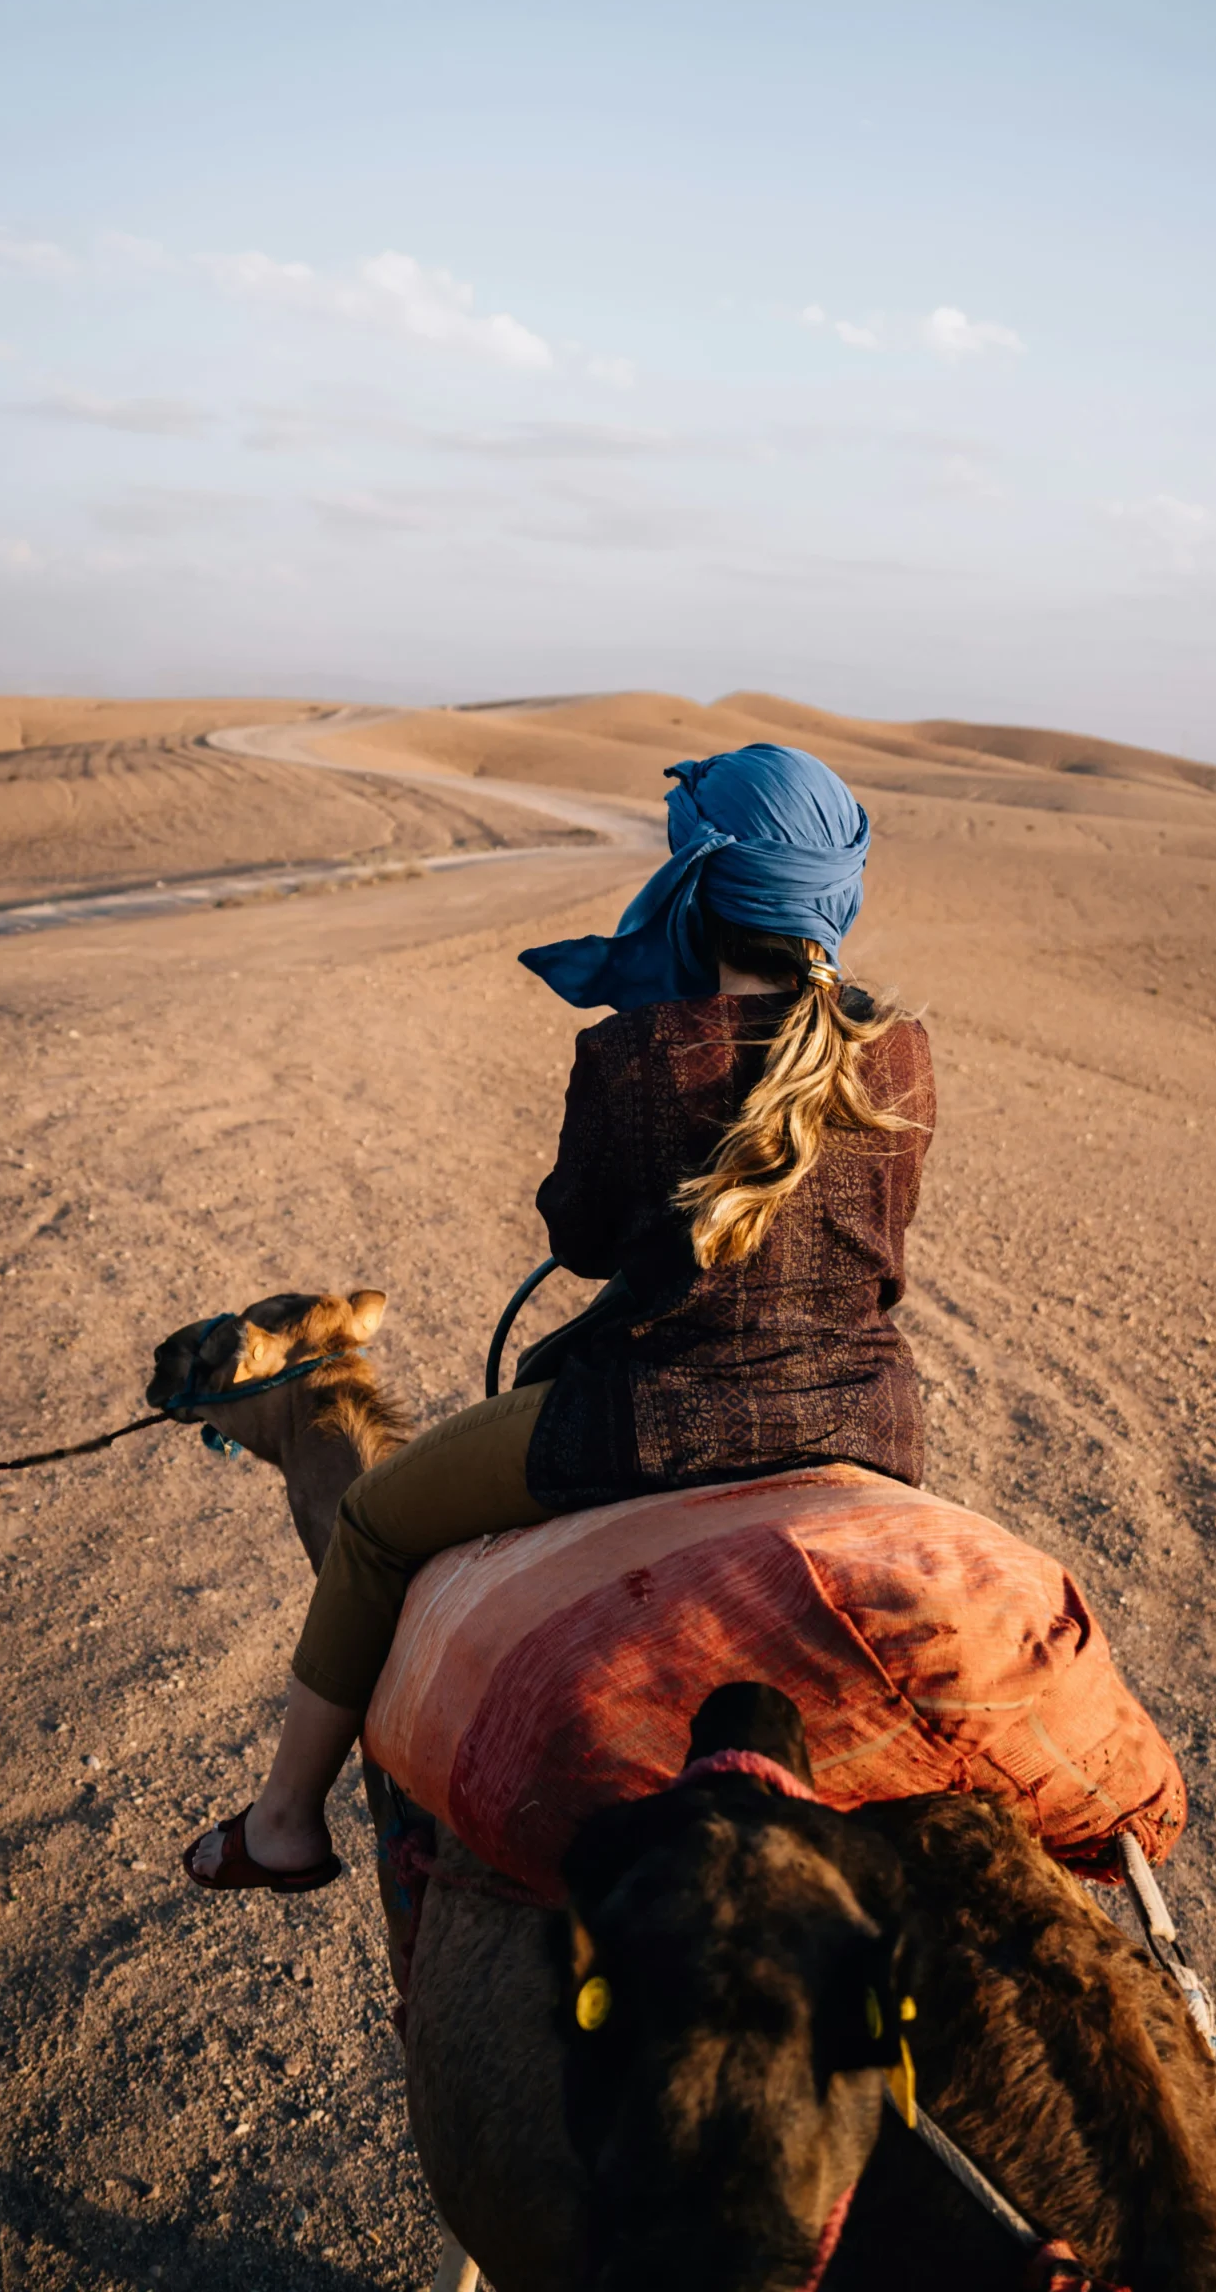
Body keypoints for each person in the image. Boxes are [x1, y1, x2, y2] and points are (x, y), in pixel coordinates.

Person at [184, 742, 936, 1892]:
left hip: (641, 1425)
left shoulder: (636, 1055)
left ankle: (283, 1820)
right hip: (871, 1431)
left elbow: (576, 1238)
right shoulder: (904, 1056)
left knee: (379, 1523)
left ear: (699, 892)